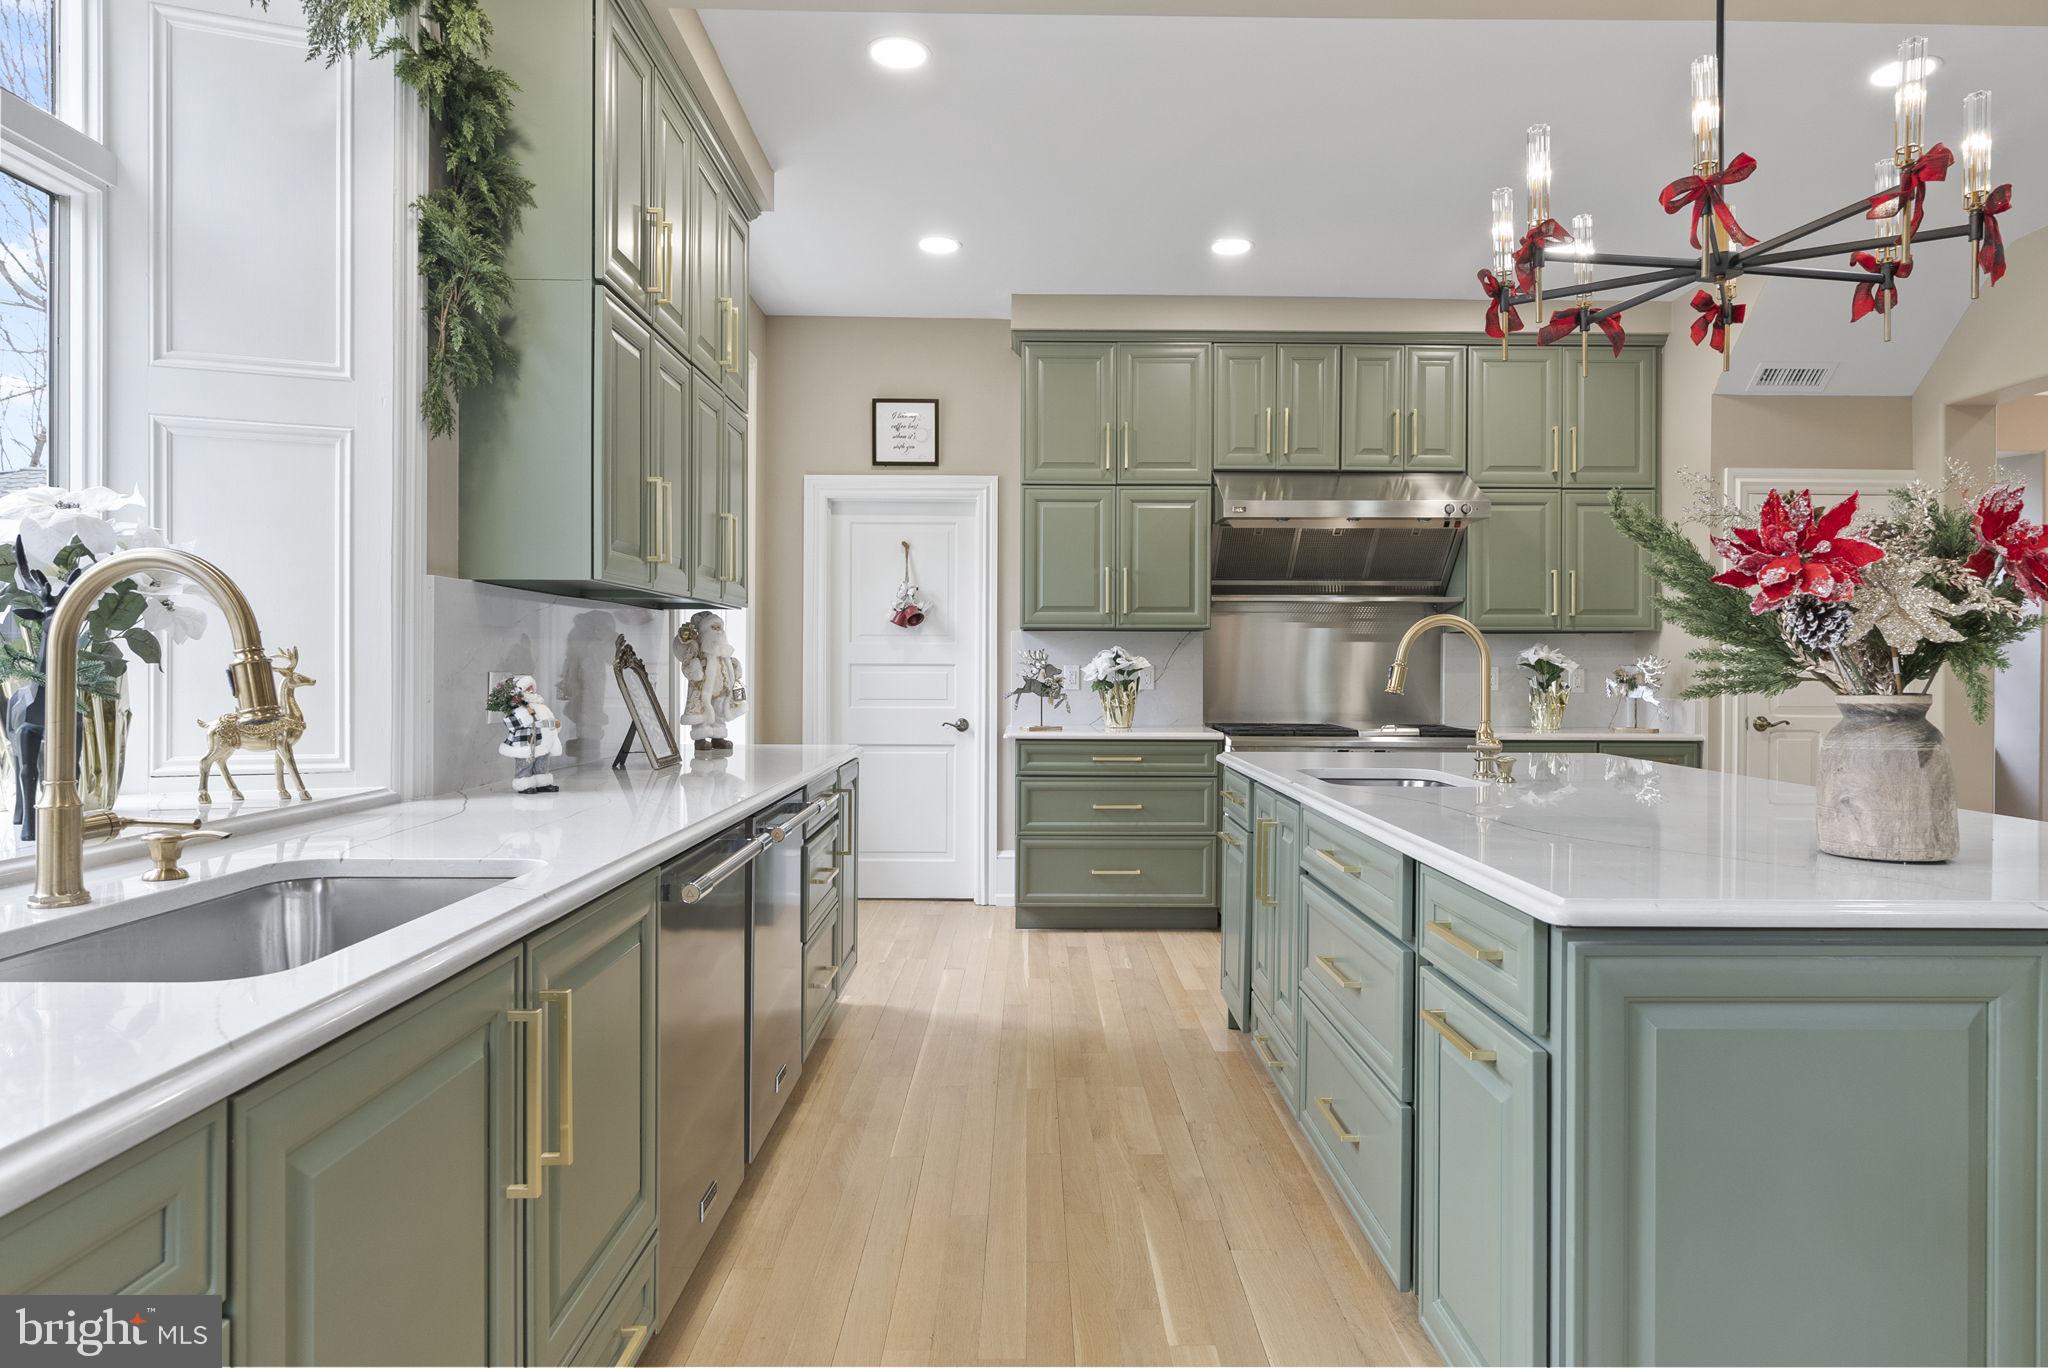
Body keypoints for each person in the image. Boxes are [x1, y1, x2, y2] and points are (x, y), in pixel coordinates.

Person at [674, 610, 747, 751]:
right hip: (702, 686)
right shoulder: (697, 646)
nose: (718, 631)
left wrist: (734, 665)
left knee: (719, 710)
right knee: (700, 710)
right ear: (705, 630)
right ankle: (700, 738)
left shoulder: (722, 648)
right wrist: (695, 670)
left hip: (721, 688)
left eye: (720, 628)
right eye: (714, 628)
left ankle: (718, 737)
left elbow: (726, 662)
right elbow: (687, 662)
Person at [496, 674, 563, 792]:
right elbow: (510, 723)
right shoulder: (517, 708)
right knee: (525, 763)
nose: (531, 690)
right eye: (527, 688)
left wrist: (554, 724)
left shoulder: (541, 707)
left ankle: (542, 782)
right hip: (526, 742)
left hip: (544, 741)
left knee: (542, 763)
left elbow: (543, 723)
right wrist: (526, 716)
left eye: (532, 688)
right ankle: (523, 783)